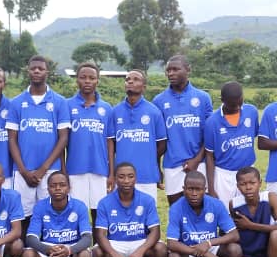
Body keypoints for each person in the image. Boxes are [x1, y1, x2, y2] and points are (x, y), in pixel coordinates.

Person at [6, 55, 70, 257]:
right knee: (23, 218)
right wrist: (23, 170)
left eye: (41, 68)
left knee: (46, 216)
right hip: (22, 172)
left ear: (47, 71)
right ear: (28, 71)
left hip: (49, 172)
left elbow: (63, 138)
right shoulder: (16, 102)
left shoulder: (60, 102)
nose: (36, 71)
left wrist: (43, 169)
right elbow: (12, 139)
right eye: (33, 68)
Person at [92, 162, 168, 257]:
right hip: (115, 242)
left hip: (139, 241)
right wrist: (114, 254)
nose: (126, 180)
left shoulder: (147, 200)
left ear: (136, 178)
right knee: (96, 253)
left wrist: (141, 250)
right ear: (115, 179)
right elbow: (100, 235)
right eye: (121, 177)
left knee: (161, 249)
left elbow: (155, 232)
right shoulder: (105, 202)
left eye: (130, 176)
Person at [166, 171, 241, 257]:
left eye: (198, 189)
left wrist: (208, 243)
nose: (194, 194)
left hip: (211, 246)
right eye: (190, 189)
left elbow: (234, 235)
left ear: (205, 189)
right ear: (184, 189)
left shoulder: (216, 204)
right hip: (189, 249)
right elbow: (171, 243)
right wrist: (205, 254)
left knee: (235, 250)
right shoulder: (176, 207)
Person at [154, 55, 213, 206]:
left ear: (188, 70)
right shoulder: (159, 101)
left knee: (200, 208)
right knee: (176, 210)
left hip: (199, 163)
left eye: (175, 69)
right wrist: (157, 167)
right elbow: (159, 140)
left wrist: (197, 160)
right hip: (172, 165)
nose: (171, 73)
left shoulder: (203, 98)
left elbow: (210, 135)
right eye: (168, 70)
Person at [21, 171, 93, 257]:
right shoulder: (40, 206)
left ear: (69, 188)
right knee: (27, 256)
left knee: (85, 256)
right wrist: (47, 249)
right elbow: (30, 238)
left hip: (71, 251)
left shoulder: (79, 206)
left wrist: (69, 250)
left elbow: (87, 238)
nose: (58, 188)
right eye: (53, 185)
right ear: (48, 189)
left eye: (62, 185)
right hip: (49, 251)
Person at [66, 62, 115, 223]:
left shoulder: (107, 108)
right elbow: (62, 142)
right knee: (75, 213)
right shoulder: (67, 106)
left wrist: (111, 173)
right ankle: (78, 248)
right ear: (77, 80)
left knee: (99, 213)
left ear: (97, 81)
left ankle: (99, 247)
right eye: (83, 77)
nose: (87, 81)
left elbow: (110, 143)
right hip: (75, 169)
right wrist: (63, 171)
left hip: (100, 169)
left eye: (92, 78)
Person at [112, 70, 166, 200]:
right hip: (121, 176)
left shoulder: (154, 112)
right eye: (127, 79)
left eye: (136, 79)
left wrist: (150, 160)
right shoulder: (115, 111)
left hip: (146, 175)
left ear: (144, 87)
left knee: (147, 216)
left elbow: (162, 144)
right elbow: (111, 144)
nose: (130, 81)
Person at [204, 81, 258, 205]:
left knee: (248, 211)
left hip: (248, 172)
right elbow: (209, 156)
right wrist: (211, 188)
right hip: (224, 175)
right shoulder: (212, 122)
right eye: (233, 105)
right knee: (225, 213)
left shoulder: (252, 112)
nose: (237, 108)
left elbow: (253, 135)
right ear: (222, 100)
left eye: (240, 103)